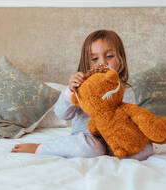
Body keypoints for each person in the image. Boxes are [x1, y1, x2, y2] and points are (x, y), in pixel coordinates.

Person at [11, 29, 153, 160]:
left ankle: (115, 150)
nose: (102, 62)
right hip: (88, 137)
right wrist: (70, 91)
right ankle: (41, 148)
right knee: (91, 149)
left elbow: (132, 117)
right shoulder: (82, 87)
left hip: (116, 137)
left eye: (109, 56)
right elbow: (62, 114)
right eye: (94, 59)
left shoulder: (126, 90)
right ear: (86, 62)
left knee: (144, 149)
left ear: (120, 59)